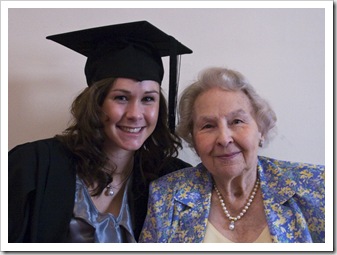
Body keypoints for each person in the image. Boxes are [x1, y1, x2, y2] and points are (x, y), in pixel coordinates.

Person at [8, 21, 192, 243]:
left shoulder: (172, 180)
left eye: (148, 99)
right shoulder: (32, 165)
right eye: (121, 97)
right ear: (96, 103)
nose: (135, 114)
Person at [139, 67, 325, 243]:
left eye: (237, 121)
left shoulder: (318, 186)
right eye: (208, 126)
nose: (224, 138)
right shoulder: (166, 196)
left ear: (261, 129)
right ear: (193, 140)